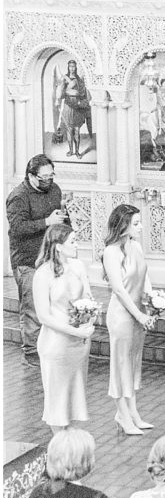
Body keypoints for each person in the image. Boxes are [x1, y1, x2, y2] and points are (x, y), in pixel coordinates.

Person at [33, 224, 94, 433]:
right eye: (73, 241)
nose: (77, 244)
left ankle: (70, 445)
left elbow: (87, 297)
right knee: (57, 399)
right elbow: (43, 316)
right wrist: (76, 331)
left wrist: (89, 317)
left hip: (78, 344)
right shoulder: (43, 274)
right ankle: (60, 447)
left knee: (73, 397)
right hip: (56, 344)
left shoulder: (78, 266)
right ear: (58, 246)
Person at [7, 154, 66, 367]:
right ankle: (32, 354)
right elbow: (18, 228)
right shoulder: (19, 196)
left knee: (53, 303)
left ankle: (51, 348)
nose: (49, 180)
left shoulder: (55, 190)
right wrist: (46, 221)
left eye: (51, 175)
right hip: (28, 261)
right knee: (32, 308)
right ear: (32, 176)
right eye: (44, 177)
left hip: (50, 258)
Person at [103, 203, 156, 435]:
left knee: (133, 364)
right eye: (135, 223)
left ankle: (132, 412)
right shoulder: (111, 252)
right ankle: (122, 415)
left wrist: (153, 303)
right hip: (122, 316)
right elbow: (119, 289)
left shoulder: (136, 247)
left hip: (139, 314)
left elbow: (145, 277)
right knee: (121, 365)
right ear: (123, 225)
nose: (140, 227)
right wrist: (139, 315)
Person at [54, 59, 92, 158]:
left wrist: (81, 101)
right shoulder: (64, 79)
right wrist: (60, 96)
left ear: (76, 67)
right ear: (68, 67)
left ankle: (77, 151)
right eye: (70, 66)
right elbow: (61, 93)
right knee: (69, 130)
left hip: (77, 107)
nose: (72, 68)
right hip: (68, 106)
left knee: (77, 130)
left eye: (73, 66)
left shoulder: (79, 80)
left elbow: (83, 94)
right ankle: (71, 151)